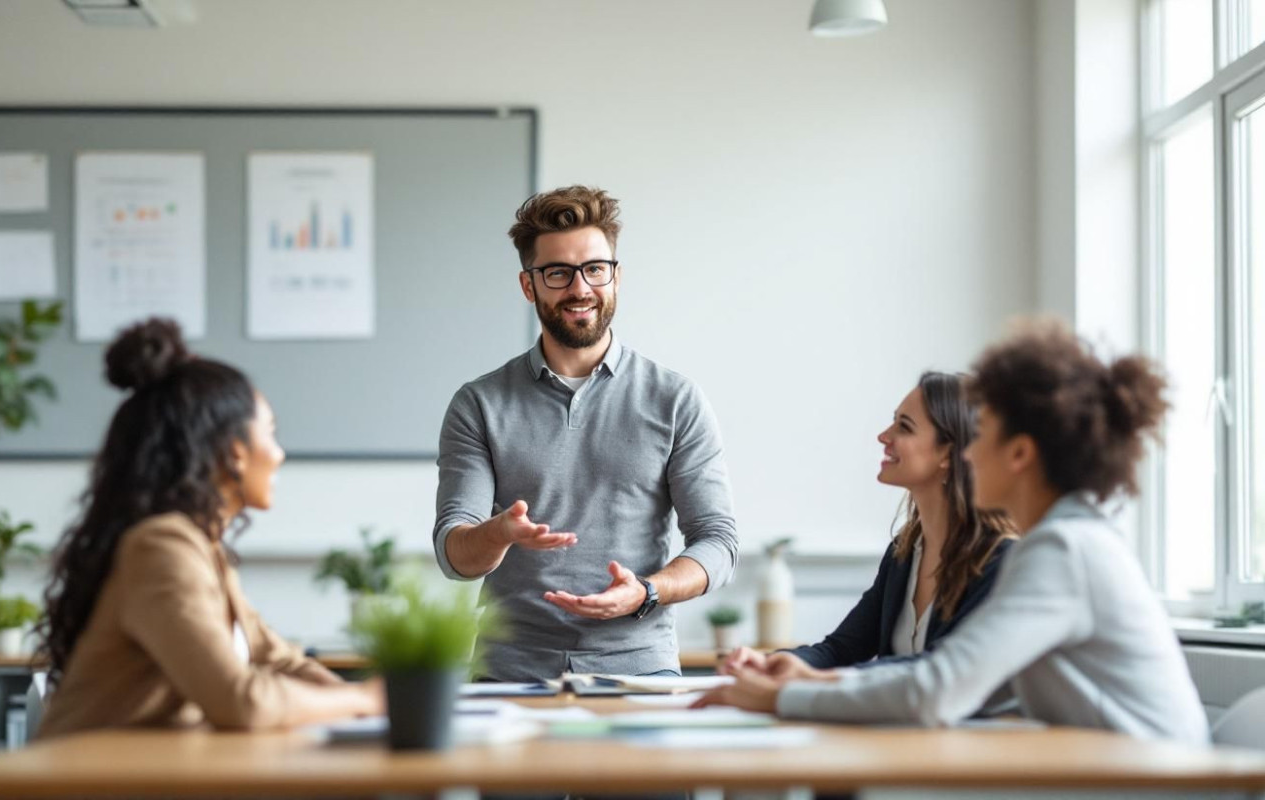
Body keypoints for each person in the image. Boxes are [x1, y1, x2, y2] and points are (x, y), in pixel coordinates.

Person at [696, 320, 1210, 744]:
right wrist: (803, 678)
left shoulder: (1063, 550)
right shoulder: (1064, 542)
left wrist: (783, 697)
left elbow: (937, 689)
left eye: (982, 435)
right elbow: (961, 684)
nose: (970, 452)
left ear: (1019, 454)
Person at [434, 185, 739, 682]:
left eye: (595, 269)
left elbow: (719, 543)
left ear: (616, 276)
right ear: (529, 285)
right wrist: (500, 532)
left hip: (640, 669)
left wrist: (647, 592)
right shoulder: (479, 403)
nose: (580, 288)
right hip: (509, 675)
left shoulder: (676, 399)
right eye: (558, 273)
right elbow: (454, 556)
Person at [36, 319, 381, 738]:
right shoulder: (161, 548)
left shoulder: (200, 548)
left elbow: (279, 660)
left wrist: (367, 704)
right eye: (270, 433)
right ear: (235, 452)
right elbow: (242, 701)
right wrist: (364, 699)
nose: (280, 454)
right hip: (85, 773)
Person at [722, 372, 1017, 679]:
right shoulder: (903, 553)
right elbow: (840, 650)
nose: (884, 436)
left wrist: (823, 680)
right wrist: (770, 662)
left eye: (904, 427)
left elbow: (940, 670)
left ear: (948, 453)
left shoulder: (1000, 561)